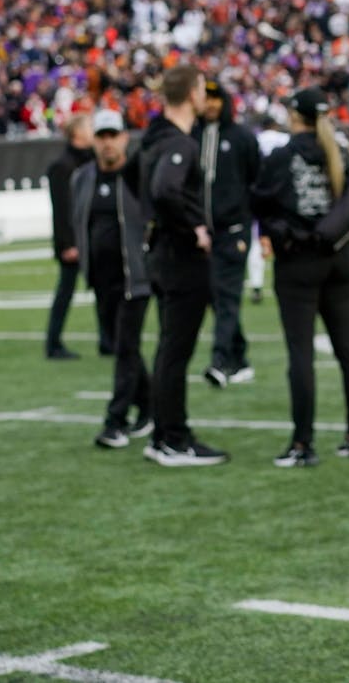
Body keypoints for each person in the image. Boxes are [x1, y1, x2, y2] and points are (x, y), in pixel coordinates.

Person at [252, 88, 349, 467]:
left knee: (300, 354)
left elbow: (261, 204)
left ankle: (303, 444)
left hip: (298, 263)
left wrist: (285, 234)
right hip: (337, 260)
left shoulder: (282, 156)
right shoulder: (337, 152)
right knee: (347, 349)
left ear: (293, 115)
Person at [136, 64, 228, 466]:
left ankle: (164, 434)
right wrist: (194, 229)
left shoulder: (154, 139)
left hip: (162, 255)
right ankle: (173, 437)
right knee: (175, 350)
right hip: (180, 258)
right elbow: (164, 190)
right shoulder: (179, 144)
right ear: (193, 94)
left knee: (169, 349)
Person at [71, 110, 152, 448]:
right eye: (101, 136)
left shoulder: (138, 175)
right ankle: (150, 407)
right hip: (101, 280)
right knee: (123, 348)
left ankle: (115, 421)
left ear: (123, 138)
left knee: (125, 349)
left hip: (135, 277)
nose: (107, 143)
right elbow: (79, 223)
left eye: (112, 136)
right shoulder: (82, 178)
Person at [195, 80, 261, 386]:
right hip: (200, 234)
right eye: (205, 98)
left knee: (227, 296)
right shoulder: (192, 137)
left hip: (233, 230)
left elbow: (256, 182)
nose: (210, 105)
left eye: (215, 99)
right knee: (212, 295)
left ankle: (220, 362)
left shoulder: (241, 138)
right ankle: (240, 356)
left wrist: (252, 223)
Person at [44, 113, 94, 360]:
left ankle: (108, 340)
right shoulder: (62, 166)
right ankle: (53, 343)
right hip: (73, 243)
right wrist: (68, 244)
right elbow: (61, 210)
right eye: (88, 127)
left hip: (92, 238)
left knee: (105, 289)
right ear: (77, 134)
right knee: (65, 291)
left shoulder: (92, 162)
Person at [247, 112, 291, 304]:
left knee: (257, 241)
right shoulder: (285, 139)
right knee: (288, 238)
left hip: (260, 194)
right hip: (283, 196)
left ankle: (256, 285)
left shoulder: (254, 140)